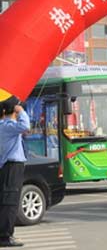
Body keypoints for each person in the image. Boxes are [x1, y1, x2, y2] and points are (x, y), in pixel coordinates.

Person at [0, 96, 30, 247]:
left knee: (6, 201)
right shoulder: (7, 125)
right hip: (12, 166)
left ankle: (5, 234)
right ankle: (5, 236)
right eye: (16, 108)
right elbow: (25, 126)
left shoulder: (6, 126)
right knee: (10, 202)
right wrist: (22, 111)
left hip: (8, 167)